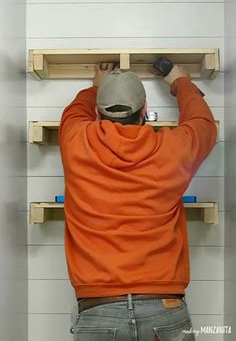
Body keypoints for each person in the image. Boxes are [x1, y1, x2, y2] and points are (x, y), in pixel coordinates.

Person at [58, 62, 217, 341]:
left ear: (97, 112)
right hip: (164, 307)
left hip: (98, 310)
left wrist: (96, 86)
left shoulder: (75, 141)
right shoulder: (173, 148)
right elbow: (203, 124)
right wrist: (181, 82)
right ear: (145, 111)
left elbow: (73, 112)